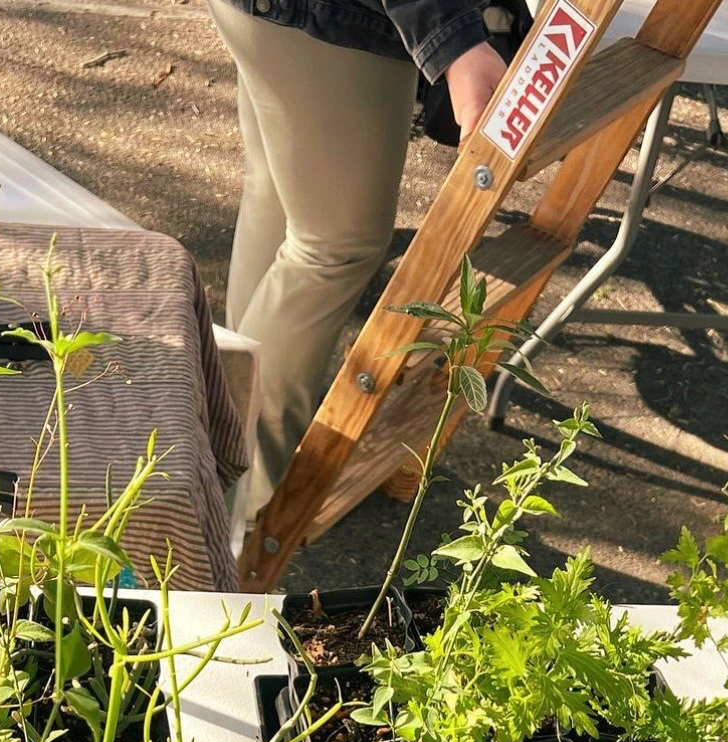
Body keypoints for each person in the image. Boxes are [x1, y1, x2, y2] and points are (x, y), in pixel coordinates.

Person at [209, 0, 509, 514]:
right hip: (336, 17)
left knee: (284, 208)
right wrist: (456, 43)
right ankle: (250, 500)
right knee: (333, 247)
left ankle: (228, 462)